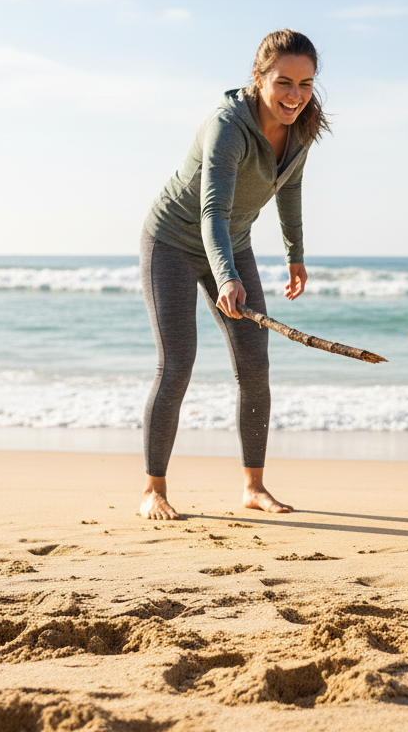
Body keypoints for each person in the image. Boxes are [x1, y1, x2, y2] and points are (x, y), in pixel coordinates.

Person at [137, 29, 329, 520]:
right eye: (284, 81)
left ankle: (254, 486)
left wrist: (295, 254)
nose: (295, 95)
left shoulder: (302, 127)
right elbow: (212, 212)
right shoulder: (227, 126)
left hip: (233, 242)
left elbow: (290, 188)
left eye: (306, 84)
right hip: (174, 243)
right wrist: (226, 278)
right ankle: (153, 490)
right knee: (178, 363)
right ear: (258, 77)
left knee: (255, 363)